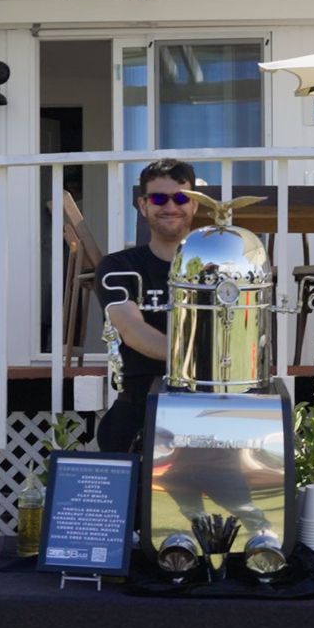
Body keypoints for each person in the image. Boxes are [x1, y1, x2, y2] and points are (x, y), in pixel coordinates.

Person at [93, 158, 199, 453]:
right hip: (140, 401)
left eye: (181, 197)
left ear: (194, 206)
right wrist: (198, 360)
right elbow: (132, 330)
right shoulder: (119, 267)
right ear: (143, 205)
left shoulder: (216, 269)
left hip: (203, 404)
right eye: (158, 198)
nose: (170, 206)